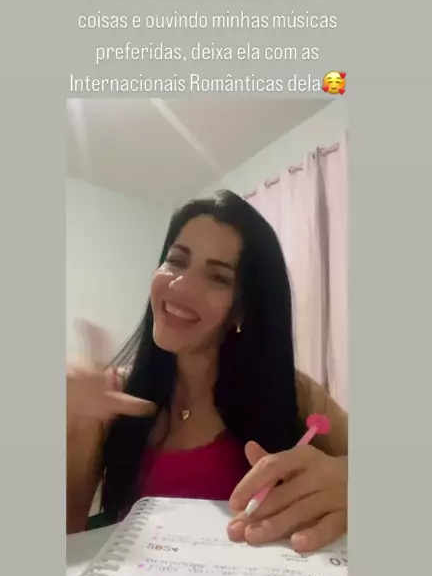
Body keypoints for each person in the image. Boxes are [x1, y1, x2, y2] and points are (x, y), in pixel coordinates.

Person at [67, 190, 347, 553]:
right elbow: (67, 540)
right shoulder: (113, 395)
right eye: (176, 260)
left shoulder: (290, 391)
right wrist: (71, 428)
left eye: (217, 277)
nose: (180, 286)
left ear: (242, 309)